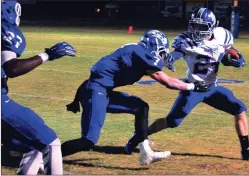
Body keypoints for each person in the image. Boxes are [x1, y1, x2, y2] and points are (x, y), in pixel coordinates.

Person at [125, 8, 249, 161]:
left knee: (239, 108)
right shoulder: (187, 41)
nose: (196, 30)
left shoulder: (221, 36)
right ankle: (138, 137)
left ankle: (246, 149)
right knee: (172, 121)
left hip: (212, 88)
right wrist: (169, 58)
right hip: (193, 88)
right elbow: (177, 53)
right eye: (194, 25)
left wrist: (236, 58)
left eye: (202, 26)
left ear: (212, 27)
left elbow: (232, 52)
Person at [62, 29, 208, 165]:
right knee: (89, 140)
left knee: (140, 107)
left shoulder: (138, 53)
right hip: (95, 92)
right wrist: (193, 86)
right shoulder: (140, 53)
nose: (161, 54)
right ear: (155, 45)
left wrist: (179, 53)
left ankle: (146, 152)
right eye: (160, 51)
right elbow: (167, 81)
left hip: (100, 91)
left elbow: (163, 62)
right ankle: (48, 154)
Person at [1, 1, 76, 174]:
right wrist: (47, 55)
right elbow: (11, 68)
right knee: (51, 142)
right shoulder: (6, 28)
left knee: (31, 146)